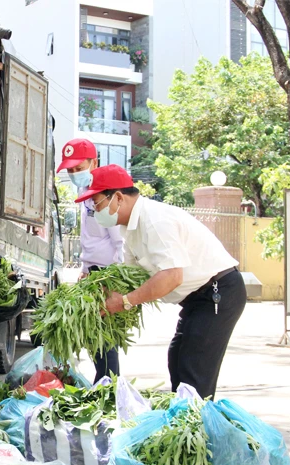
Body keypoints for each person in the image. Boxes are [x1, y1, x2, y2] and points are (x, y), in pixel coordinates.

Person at [77, 165, 245, 399]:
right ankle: (185, 420)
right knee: (177, 358)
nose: (95, 211)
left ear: (117, 197)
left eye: (97, 203)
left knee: (193, 371)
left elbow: (171, 276)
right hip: (196, 300)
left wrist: (124, 302)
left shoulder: (154, 220)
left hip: (217, 292)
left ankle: (196, 425)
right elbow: (130, 275)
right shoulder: (130, 227)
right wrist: (99, 292)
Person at [57, 138, 123, 383]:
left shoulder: (105, 195)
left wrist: (112, 282)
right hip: (93, 274)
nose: (74, 174)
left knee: (104, 339)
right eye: (70, 170)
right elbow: (90, 238)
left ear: (94, 162)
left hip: (107, 275)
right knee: (94, 338)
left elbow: (121, 243)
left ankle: (108, 388)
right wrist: (85, 269)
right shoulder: (83, 193)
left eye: (79, 168)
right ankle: (104, 385)